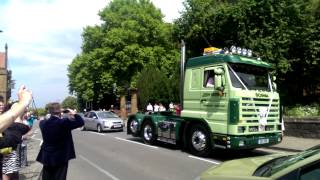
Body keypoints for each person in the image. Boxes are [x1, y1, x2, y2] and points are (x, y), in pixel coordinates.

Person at [36, 102, 84, 180]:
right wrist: (74, 113)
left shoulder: (43, 123)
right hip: (61, 156)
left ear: (50, 112)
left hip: (47, 156)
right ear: (59, 111)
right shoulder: (63, 122)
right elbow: (81, 122)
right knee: (60, 177)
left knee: (47, 177)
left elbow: (43, 120)